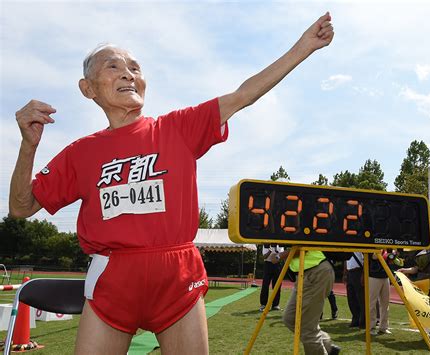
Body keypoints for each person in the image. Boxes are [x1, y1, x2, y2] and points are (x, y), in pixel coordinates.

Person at [8, 12, 334, 355]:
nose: (128, 74)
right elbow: (21, 206)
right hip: (112, 281)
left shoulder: (176, 128)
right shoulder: (80, 153)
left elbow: (243, 95)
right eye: (113, 66)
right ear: (87, 88)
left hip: (178, 277)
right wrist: (28, 147)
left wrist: (304, 47)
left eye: (135, 67)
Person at [274, 249, 341, 354]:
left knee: (307, 327)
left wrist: (279, 256)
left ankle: (323, 346)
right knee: (290, 318)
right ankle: (326, 344)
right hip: (304, 275)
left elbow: (301, 246)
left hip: (315, 272)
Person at [368, 251, 391, 335]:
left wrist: (393, 254)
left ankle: (383, 327)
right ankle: (371, 327)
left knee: (385, 303)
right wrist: (385, 253)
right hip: (373, 276)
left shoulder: (387, 248)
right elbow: (374, 256)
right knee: (372, 303)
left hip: (385, 276)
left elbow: (392, 259)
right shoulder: (371, 246)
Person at [259, 244, 285, 312]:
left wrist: (276, 252)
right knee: (265, 285)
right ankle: (263, 304)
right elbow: (264, 257)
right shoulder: (266, 244)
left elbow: (282, 256)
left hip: (277, 265)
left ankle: (275, 305)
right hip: (268, 264)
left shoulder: (280, 245)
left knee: (277, 285)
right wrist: (270, 251)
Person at [344, 252, 365, 328]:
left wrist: (363, 274)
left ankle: (363, 322)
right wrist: (345, 273)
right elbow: (346, 261)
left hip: (358, 271)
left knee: (361, 298)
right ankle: (355, 319)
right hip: (350, 272)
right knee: (351, 298)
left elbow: (365, 259)